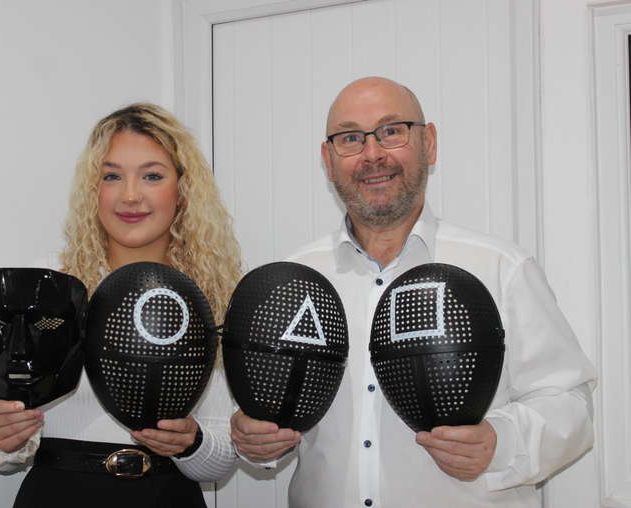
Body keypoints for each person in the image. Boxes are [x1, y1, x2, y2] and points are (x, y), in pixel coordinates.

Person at [230, 77, 596, 508]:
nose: (372, 154)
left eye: (391, 131)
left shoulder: (502, 268)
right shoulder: (293, 280)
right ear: (327, 161)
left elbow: (571, 406)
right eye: (350, 138)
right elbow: (274, 422)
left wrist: (501, 442)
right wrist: (255, 440)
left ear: (430, 144)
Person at [0, 103, 242, 507]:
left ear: (183, 190)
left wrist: (192, 443)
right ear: (92, 189)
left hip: (167, 497)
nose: (130, 195)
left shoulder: (215, 295)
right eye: (111, 176)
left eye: (152, 175)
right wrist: (1, 435)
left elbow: (220, 461)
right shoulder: (49, 288)